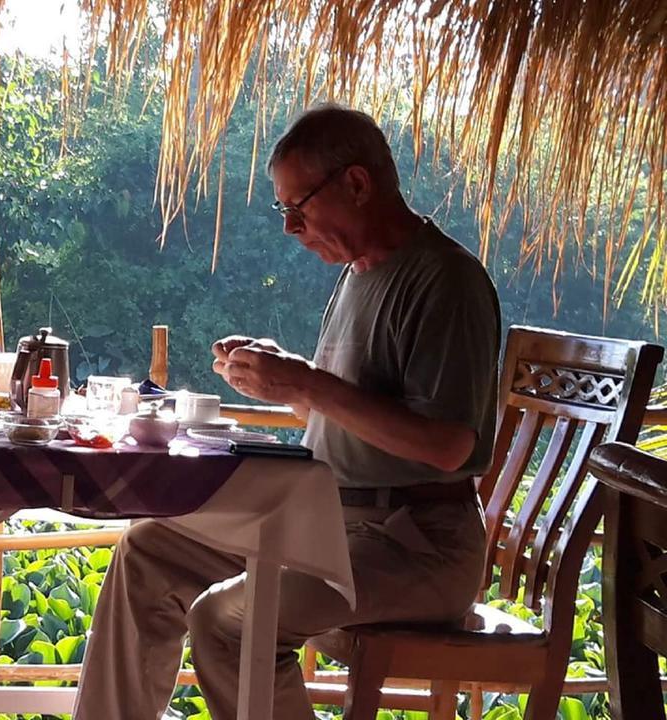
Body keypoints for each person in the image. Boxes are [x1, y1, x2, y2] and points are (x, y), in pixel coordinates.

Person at [72, 104, 501, 719]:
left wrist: (311, 383)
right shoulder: (358, 274)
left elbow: (446, 446)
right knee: (150, 548)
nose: (291, 228)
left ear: (357, 183)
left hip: (416, 546)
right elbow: (356, 417)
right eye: (285, 211)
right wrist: (288, 386)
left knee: (226, 620)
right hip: (334, 528)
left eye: (300, 207)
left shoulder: (445, 281)